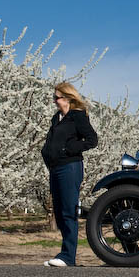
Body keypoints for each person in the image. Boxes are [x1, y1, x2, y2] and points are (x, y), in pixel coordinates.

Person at [41, 82, 98, 267]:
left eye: (56, 98)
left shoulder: (77, 117)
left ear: (67, 98)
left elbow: (92, 140)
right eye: (54, 98)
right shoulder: (56, 118)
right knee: (59, 211)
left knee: (68, 211)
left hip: (70, 168)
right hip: (55, 168)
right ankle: (65, 254)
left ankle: (67, 256)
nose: (54, 101)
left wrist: (69, 148)